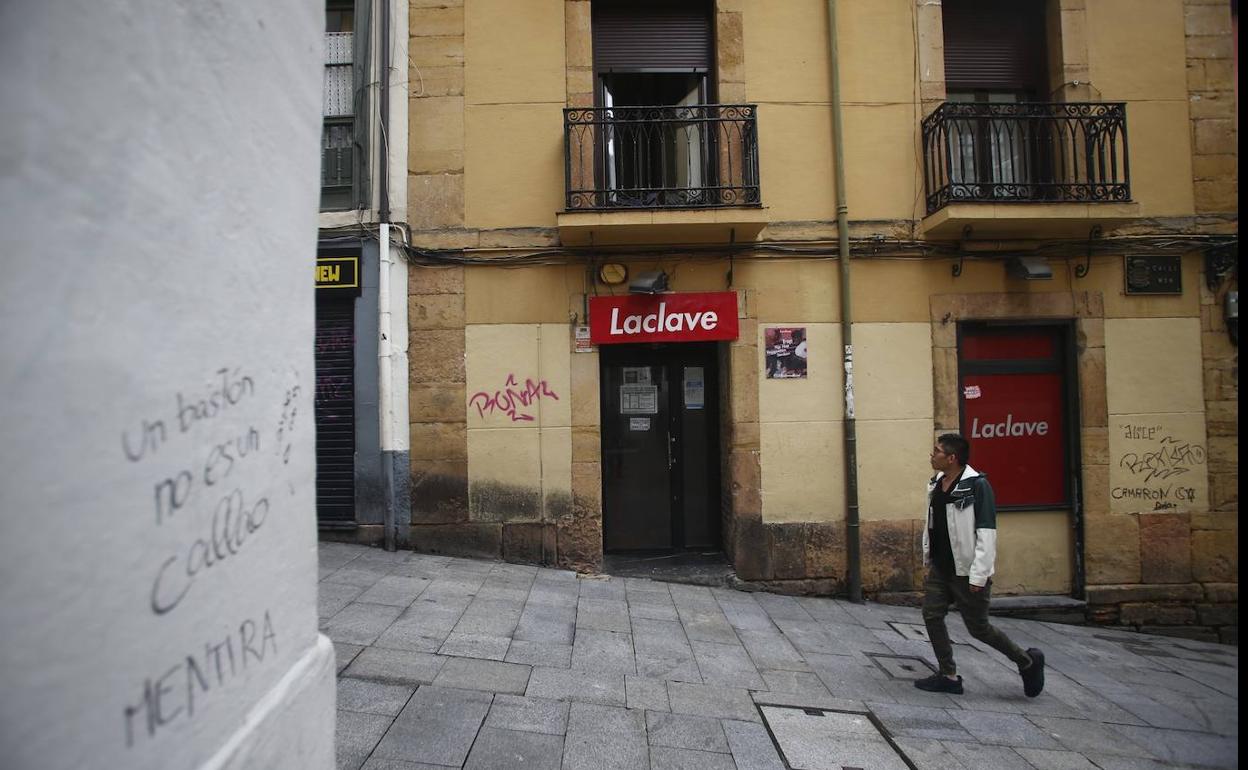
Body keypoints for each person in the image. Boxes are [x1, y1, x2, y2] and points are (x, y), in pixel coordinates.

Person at [914, 433, 1045, 697]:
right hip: (942, 567)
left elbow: (986, 531)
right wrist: (928, 557)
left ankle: (1027, 662)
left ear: (952, 458)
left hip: (967, 571)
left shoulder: (977, 485)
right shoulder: (937, 482)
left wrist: (979, 575)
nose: (932, 455)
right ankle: (948, 675)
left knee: (979, 628)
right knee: (931, 614)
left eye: (937, 451)